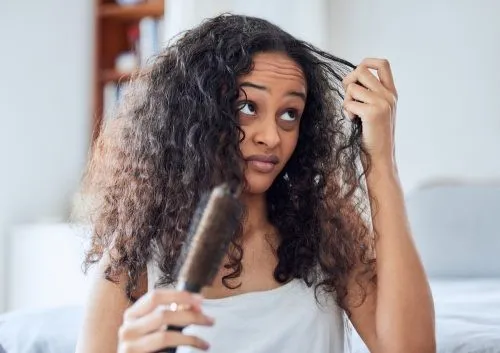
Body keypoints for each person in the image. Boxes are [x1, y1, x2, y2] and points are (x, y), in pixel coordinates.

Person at [75, 14, 435, 353]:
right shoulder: (134, 257)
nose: (271, 137)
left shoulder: (326, 230)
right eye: (248, 107)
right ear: (198, 114)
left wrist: (380, 162)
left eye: (289, 114)